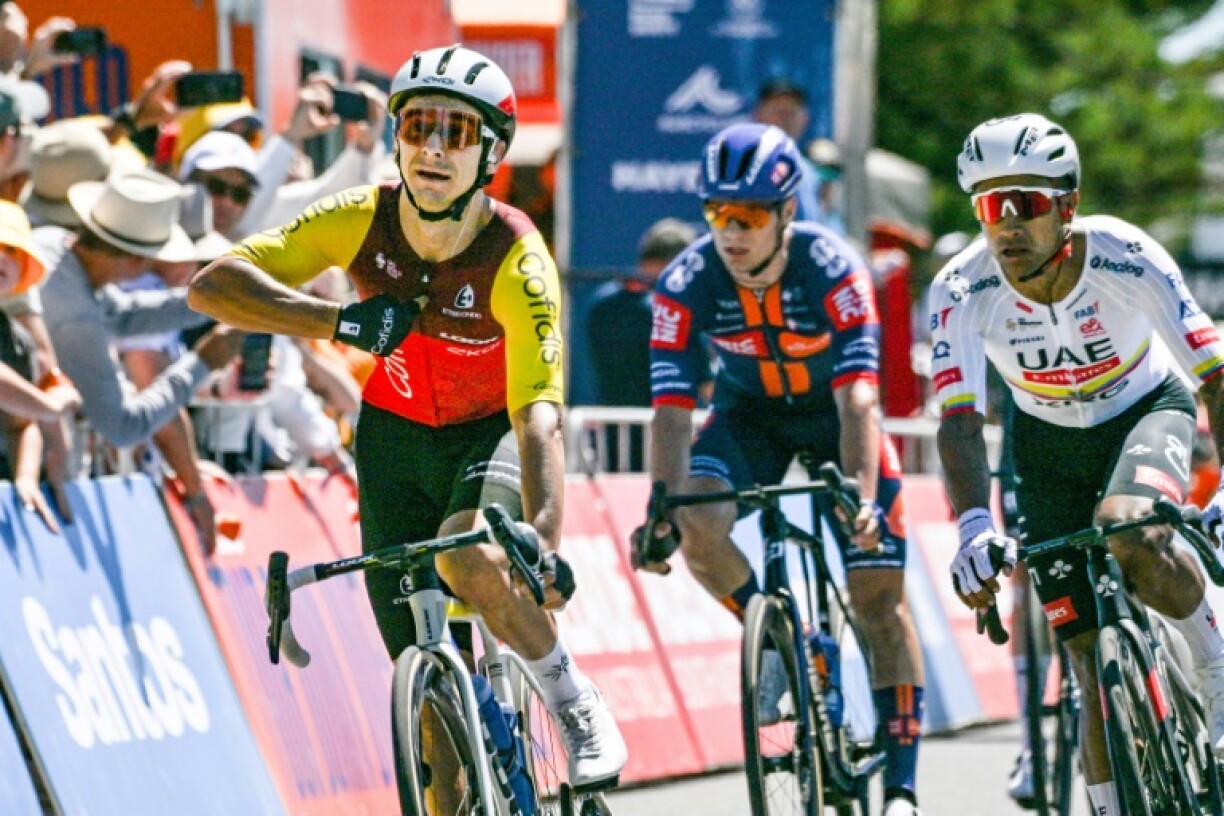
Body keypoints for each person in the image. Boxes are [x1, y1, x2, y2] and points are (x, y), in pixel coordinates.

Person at [187, 44, 627, 801]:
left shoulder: (515, 258)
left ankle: (571, 699)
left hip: (490, 430)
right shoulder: (363, 217)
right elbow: (212, 285)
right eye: (418, 125)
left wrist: (543, 544)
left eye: (455, 134)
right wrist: (340, 321)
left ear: (490, 152)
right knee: (429, 725)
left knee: (468, 559)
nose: (431, 148)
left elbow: (541, 419)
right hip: (391, 437)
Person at [930, 113, 1224, 816]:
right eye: (987, 208)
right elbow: (960, 422)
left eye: (1023, 205)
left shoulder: (1128, 254)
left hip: (1144, 409)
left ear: (1067, 206)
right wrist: (973, 525)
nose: (1004, 226)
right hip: (1046, 443)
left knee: (1128, 530)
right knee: (1085, 658)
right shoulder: (961, 291)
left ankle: (1214, 666)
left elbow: (1214, 378)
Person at [631, 122, 926, 816]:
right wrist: (660, 506)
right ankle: (783, 644)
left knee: (879, 599)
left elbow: (859, 396)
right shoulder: (686, 280)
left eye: (749, 216)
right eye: (716, 214)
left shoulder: (832, 267)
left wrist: (860, 500)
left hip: (834, 418)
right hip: (749, 418)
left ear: (788, 212)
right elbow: (671, 412)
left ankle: (904, 790)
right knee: (696, 519)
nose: (730, 232)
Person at [751, 78, 822, 223]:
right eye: (778, 110)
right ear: (758, 114)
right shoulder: (748, 166)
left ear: (805, 118)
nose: (785, 118)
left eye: (792, 111)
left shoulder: (810, 170)